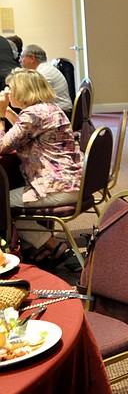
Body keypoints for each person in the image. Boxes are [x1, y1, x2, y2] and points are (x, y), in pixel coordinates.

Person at [0, 68, 82, 271]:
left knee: (2, 204)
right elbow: (22, 130)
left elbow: (2, 146)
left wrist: (1, 116)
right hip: (73, 181)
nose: (7, 92)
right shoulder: (49, 108)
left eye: (10, 88)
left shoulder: (33, 115)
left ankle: (54, 247)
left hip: (57, 187)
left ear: (22, 91)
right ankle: (38, 250)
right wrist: (8, 111)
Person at [20, 44, 73, 117]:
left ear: (32, 58)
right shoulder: (47, 68)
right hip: (60, 111)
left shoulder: (42, 73)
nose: (20, 60)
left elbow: (30, 99)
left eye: (22, 57)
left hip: (60, 114)